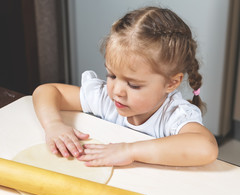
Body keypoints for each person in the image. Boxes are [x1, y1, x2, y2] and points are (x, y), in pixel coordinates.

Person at [32, 6, 218, 167]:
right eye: (112, 75)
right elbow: (47, 91)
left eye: (133, 85)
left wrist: (129, 151)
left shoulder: (173, 115)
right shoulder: (106, 98)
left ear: (171, 83)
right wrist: (53, 125)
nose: (117, 91)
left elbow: (206, 147)